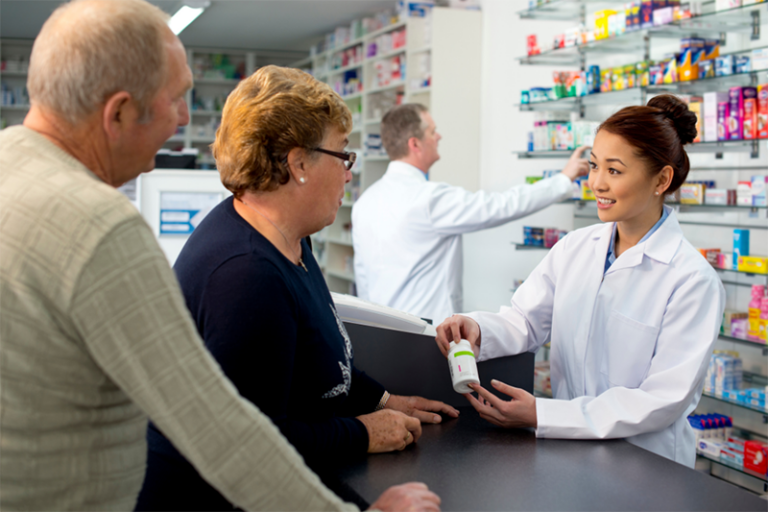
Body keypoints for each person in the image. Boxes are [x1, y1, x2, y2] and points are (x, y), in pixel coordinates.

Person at [0, 1, 440, 511]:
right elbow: (221, 432)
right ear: (118, 111)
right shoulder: (99, 225)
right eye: (176, 98)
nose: (186, 118)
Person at [136, 65, 458, 511]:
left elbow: (322, 359)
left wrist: (385, 399)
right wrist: (365, 436)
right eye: (343, 156)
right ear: (298, 162)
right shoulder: (246, 274)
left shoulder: (289, 236)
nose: (349, 175)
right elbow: (254, 446)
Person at [435, 95, 725, 468]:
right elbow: (523, 320)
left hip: (644, 467)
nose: (597, 184)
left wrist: (545, 415)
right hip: (567, 452)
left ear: (662, 179)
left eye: (614, 171)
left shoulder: (691, 280)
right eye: (593, 166)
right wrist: (476, 327)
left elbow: (662, 399)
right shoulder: (576, 247)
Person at [352, 103, 590, 325]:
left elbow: (363, 278)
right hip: (424, 331)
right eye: (433, 131)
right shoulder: (428, 199)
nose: (439, 137)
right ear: (415, 144)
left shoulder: (365, 201)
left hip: (380, 328)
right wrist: (563, 179)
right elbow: (501, 205)